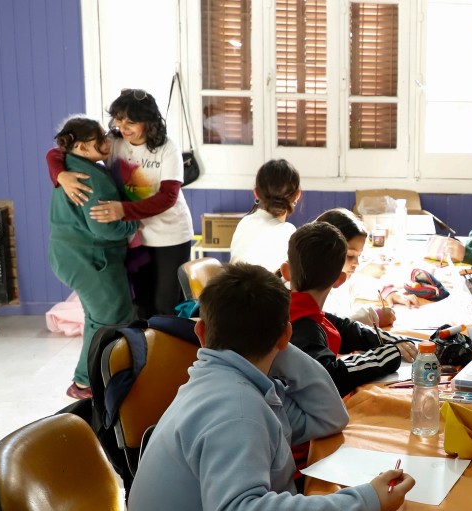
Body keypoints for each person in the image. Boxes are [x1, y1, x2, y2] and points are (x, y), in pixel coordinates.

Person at [125, 264, 415, 511]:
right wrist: (364, 501)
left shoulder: (236, 386)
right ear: (285, 335)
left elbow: (329, 416)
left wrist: (279, 345)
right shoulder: (235, 410)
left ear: (200, 330)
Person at [48, 88, 194, 318]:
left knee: (166, 305)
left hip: (171, 236)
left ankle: (167, 352)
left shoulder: (168, 148)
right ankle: (143, 353)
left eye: (131, 122)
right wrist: (60, 175)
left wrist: (122, 210)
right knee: (141, 305)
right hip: (134, 237)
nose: (123, 127)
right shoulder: (114, 142)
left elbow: (168, 197)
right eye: (119, 120)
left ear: (148, 121)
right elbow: (60, 151)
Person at [47, 117, 139, 399]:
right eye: (100, 136)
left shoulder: (74, 167)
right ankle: (86, 382)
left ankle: (88, 378)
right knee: (113, 315)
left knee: (98, 317)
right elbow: (105, 227)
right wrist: (132, 223)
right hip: (88, 257)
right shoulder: (89, 178)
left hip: (70, 255)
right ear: (84, 146)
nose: (107, 140)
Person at [283, 221, 418, 397]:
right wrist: (389, 354)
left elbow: (348, 329)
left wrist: (395, 341)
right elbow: (332, 377)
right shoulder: (302, 326)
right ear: (340, 280)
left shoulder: (298, 307)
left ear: (286, 271)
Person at [314, 208, 419, 327]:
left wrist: (387, 292)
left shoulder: (339, 278)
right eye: (350, 255)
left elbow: (358, 284)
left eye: (359, 255)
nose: (356, 263)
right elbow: (333, 325)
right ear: (325, 251)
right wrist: (375, 317)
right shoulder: (315, 289)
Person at [229, 159, 299, 273]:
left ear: (256, 193)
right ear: (297, 195)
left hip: (231, 289)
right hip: (263, 290)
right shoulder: (288, 231)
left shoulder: (245, 222)